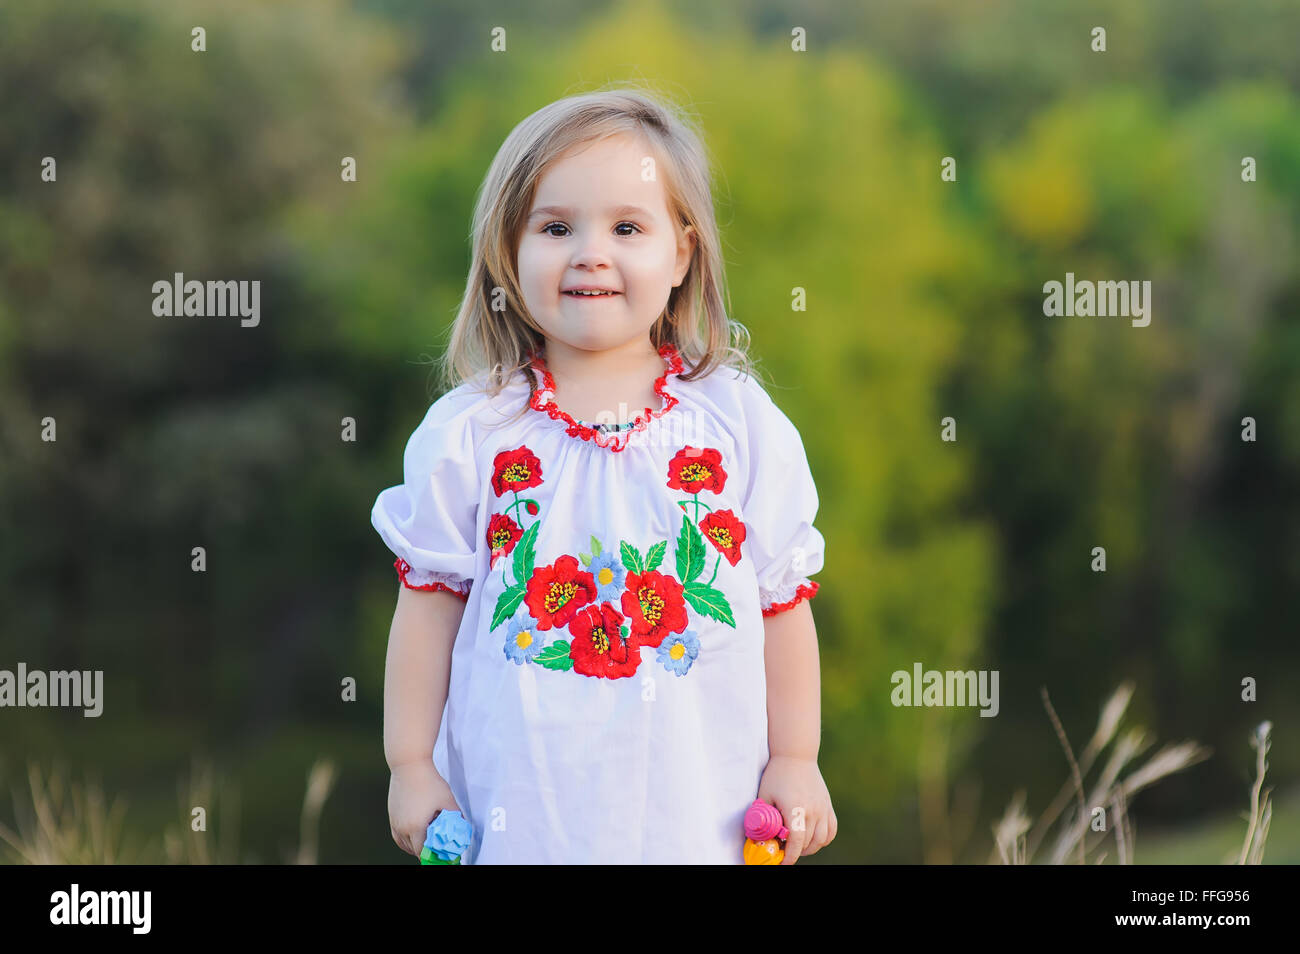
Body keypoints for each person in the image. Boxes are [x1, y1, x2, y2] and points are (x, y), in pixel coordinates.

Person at [372, 86, 835, 863]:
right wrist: (411, 766)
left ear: (682, 253)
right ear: (506, 255)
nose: (591, 252)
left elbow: (782, 602)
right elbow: (425, 613)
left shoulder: (737, 422)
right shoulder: (472, 434)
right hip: (522, 817)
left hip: (703, 821)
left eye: (628, 227)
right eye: (555, 227)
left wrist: (795, 758)